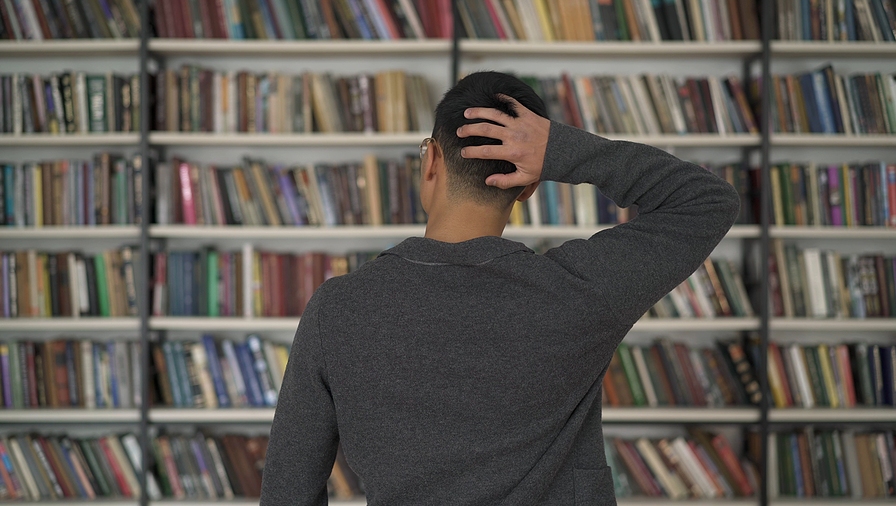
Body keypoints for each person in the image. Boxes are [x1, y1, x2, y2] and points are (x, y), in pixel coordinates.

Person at [259, 71, 740, 505]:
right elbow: (705, 201)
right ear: (528, 187)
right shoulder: (579, 291)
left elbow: (288, 491)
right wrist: (560, 150)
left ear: (430, 160)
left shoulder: (338, 310)